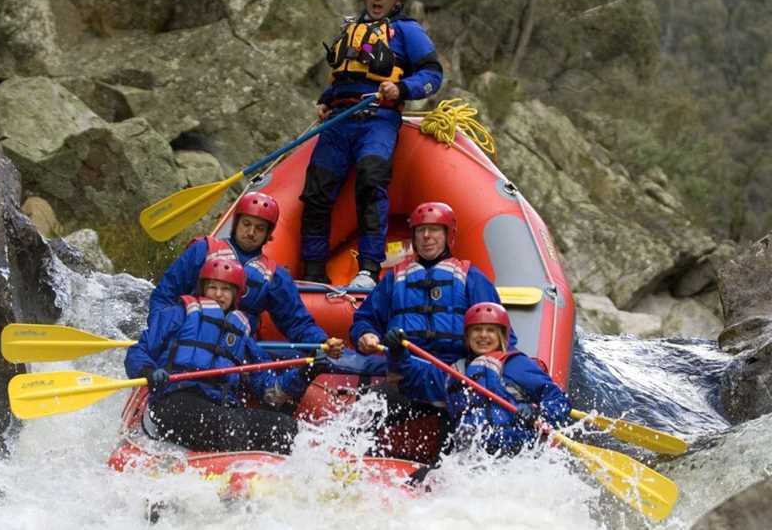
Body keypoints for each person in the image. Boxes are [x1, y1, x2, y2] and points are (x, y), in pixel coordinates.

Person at [299, 0, 443, 288]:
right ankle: (312, 271)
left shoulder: (407, 30)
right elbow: (345, 76)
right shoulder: (351, 28)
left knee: (371, 180)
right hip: (339, 122)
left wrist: (402, 89)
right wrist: (325, 99)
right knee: (316, 192)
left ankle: (368, 269)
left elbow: (432, 75)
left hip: (377, 118)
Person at [125, 258, 327, 454]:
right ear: (203, 288)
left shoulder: (242, 337)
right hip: (174, 401)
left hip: (219, 407)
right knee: (229, 426)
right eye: (213, 287)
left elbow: (271, 390)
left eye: (226, 289)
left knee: (285, 427)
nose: (218, 295)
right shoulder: (179, 314)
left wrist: (305, 372)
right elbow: (138, 350)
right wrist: (149, 371)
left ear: (235, 295)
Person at [149, 191, 344, 355]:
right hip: (189, 339)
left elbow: (298, 324)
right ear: (236, 224)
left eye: (259, 228)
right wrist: (158, 334)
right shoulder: (202, 250)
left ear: (268, 234)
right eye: (246, 224)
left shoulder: (274, 276)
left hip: (236, 349)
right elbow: (165, 295)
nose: (251, 232)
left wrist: (322, 343)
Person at [384, 302, 572, 455]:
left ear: (502, 337)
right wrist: (398, 353)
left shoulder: (517, 365)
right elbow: (413, 381)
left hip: (516, 456)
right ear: (467, 336)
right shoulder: (454, 372)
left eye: (490, 330)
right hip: (469, 459)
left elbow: (558, 399)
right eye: (477, 330)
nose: (483, 335)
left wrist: (538, 413)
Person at [351, 201, 515, 366]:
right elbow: (365, 319)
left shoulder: (470, 276)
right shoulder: (394, 277)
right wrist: (366, 334)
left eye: (434, 229)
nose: (426, 236)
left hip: (455, 369)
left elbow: (502, 334)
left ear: (448, 234)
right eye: (421, 230)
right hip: (403, 367)